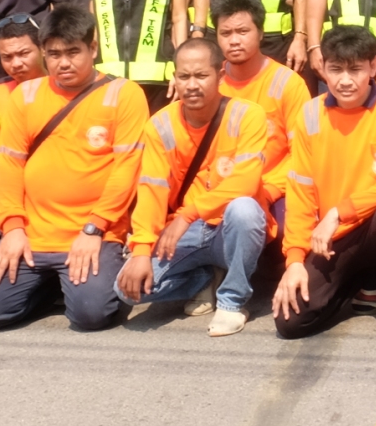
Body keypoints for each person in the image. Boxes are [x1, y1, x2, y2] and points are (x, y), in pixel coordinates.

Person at [0, 4, 149, 332]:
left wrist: (94, 228)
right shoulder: (26, 95)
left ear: (92, 49)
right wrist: (12, 228)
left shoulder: (124, 94)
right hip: (33, 234)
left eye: (73, 52)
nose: (63, 63)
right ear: (44, 53)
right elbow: (10, 165)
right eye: (54, 54)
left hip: (94, 233)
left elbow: (127, 169)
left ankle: (79, 284)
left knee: (90, 316)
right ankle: (51, 285)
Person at [272, 25, 376, 337]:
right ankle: (365, 279)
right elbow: (300, 192)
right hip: (335, 240)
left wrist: (338, 212)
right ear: (323, 68)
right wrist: (294, 260)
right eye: (336, 70)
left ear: (373, 66)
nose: (345, 80)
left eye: (355, 70)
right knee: (291, 323)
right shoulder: (310, 114)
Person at [116, 38, 273, 336]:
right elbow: (151, 189)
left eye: (201, 76)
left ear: (221, 75)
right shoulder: (160, 124)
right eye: (184, 76)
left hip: (228, 229)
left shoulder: (247, 115)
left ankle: (232, 301)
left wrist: (188, 215)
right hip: (186, 233)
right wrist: (141, 250)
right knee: (127, 290)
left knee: (245, 209)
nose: (191, 85)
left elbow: (246, 181)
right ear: (174, 77)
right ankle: (202, 278)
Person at [214, 0, 313, 234]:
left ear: (260, 33)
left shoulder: (288, 83)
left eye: (242, 31)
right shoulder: (210, 84)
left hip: (272, 189)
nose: (234, 40)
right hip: (216, 191)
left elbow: (302, 154)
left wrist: (268, 191)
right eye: (225, 33)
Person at [0, 16, 46, 103]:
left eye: (23, 53)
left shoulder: (64, 87)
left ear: (43, 49)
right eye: (7, 57)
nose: (16, 64)